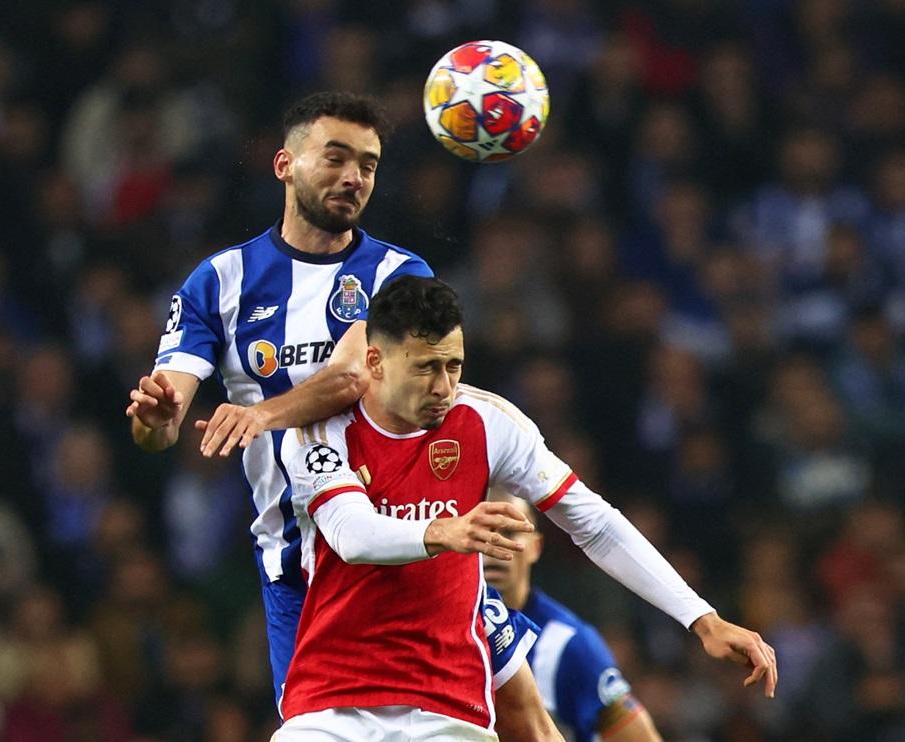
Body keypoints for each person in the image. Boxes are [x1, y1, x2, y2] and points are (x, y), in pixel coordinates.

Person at [123, 91, 549, 731]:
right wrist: (156, 420)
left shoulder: (398, 274)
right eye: (336, 158)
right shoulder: (221, 280)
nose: (354, 177)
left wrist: (263, 415)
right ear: (284, 165)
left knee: (520, 717)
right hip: (298, 562)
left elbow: (354, 374)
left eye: (368, 166)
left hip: (414, 547)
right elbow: (164, 414)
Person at [274, 275, 777, 740]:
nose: (443, 387)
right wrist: (443, 531)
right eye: (425, 368)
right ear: (376, 362)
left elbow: (595, 523)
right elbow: (351, 534)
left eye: (453, 366)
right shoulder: (322, 431)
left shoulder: (486, 421)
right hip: (332, 703)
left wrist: (702, 618)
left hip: (447, 708)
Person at [485, 491, 662, 741]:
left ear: (536, 546)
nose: (494, 547)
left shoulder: (569, 643)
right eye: (484, 533)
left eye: (510, 533)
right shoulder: (436, 631)